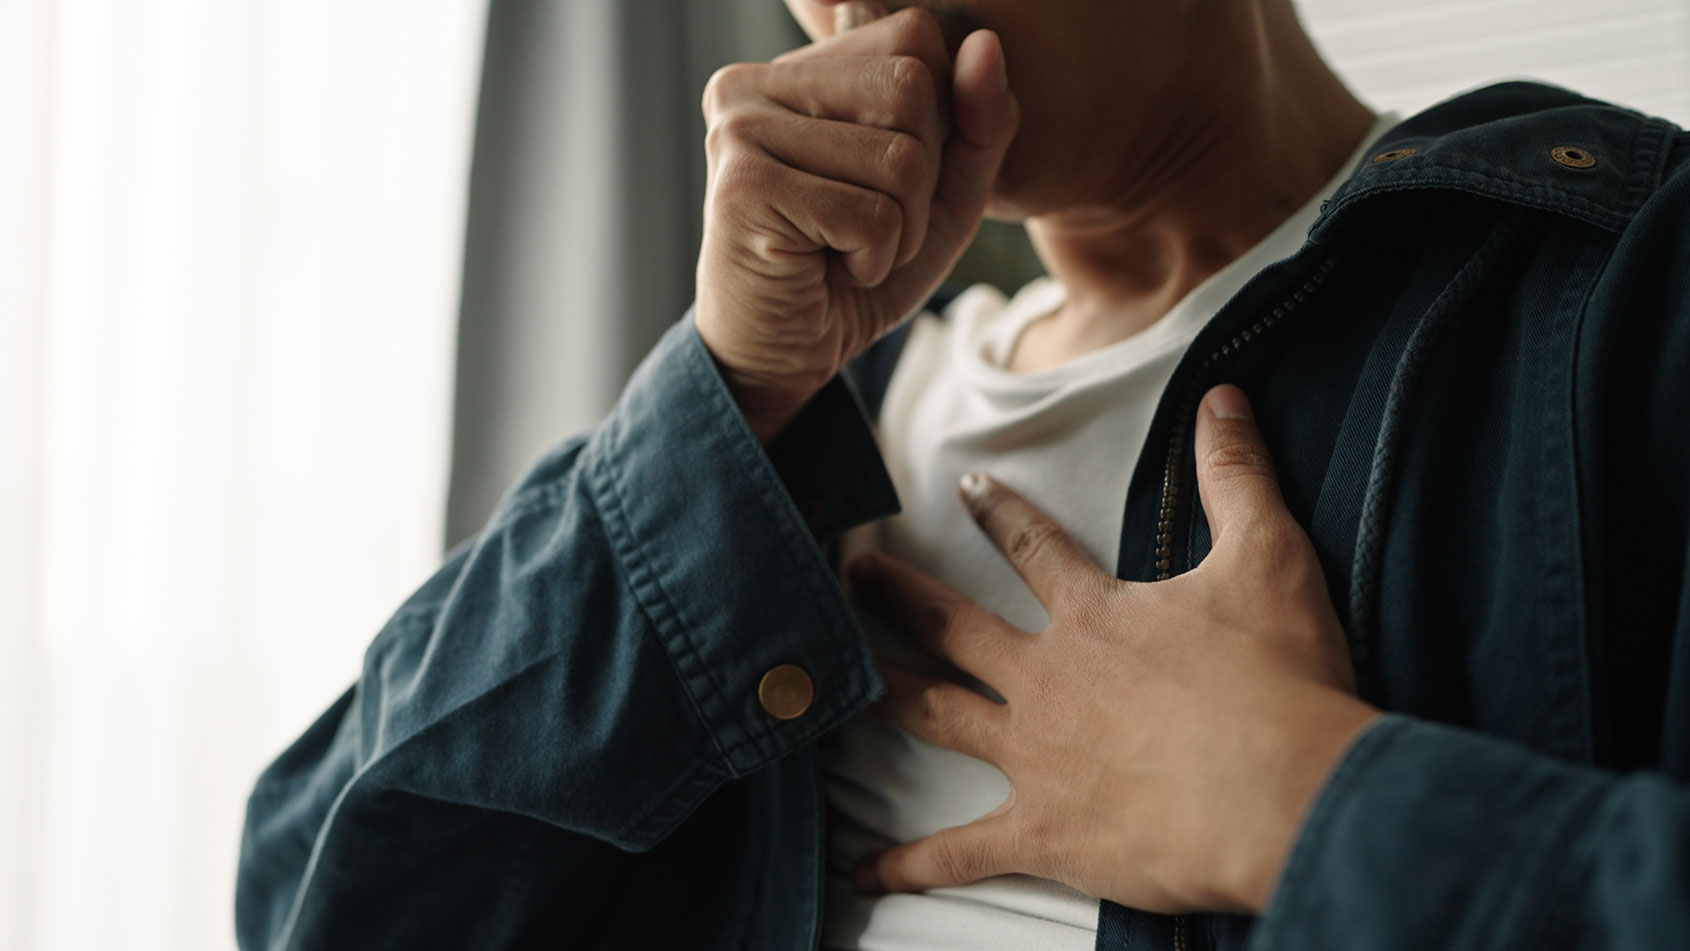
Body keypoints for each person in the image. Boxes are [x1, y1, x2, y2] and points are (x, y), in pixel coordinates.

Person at [236, 1, 1690, 948]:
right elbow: (318, 900)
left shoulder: (1627, 293)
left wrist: (1293, 805)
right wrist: (725, 398)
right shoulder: (803, 424)